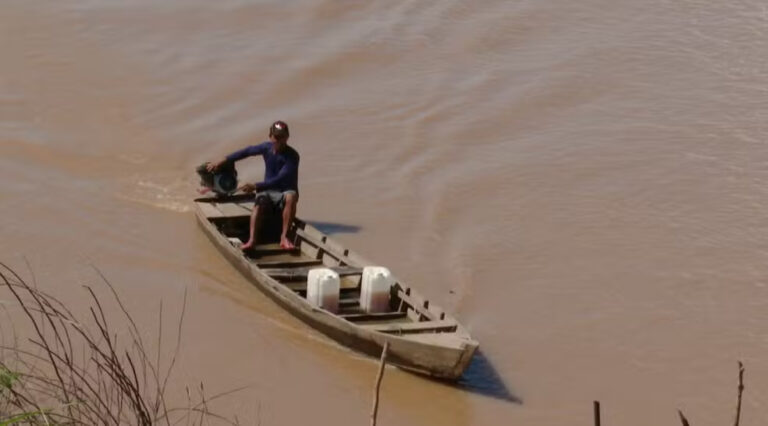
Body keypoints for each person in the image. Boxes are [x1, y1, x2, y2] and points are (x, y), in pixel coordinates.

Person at [206, 120, 299, 250]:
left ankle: (284, 237)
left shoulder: (293, 156)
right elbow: (247, 151)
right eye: (275, 137)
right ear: (270, 136)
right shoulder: (266, 147)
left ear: (287, 137)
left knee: (291, 196)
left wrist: (256, 186)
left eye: (281, 137)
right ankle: (251, 240)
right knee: (259, 200)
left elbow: (280, 179)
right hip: (267, 190)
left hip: (284, 191)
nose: (278, 140)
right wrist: (225, 159)